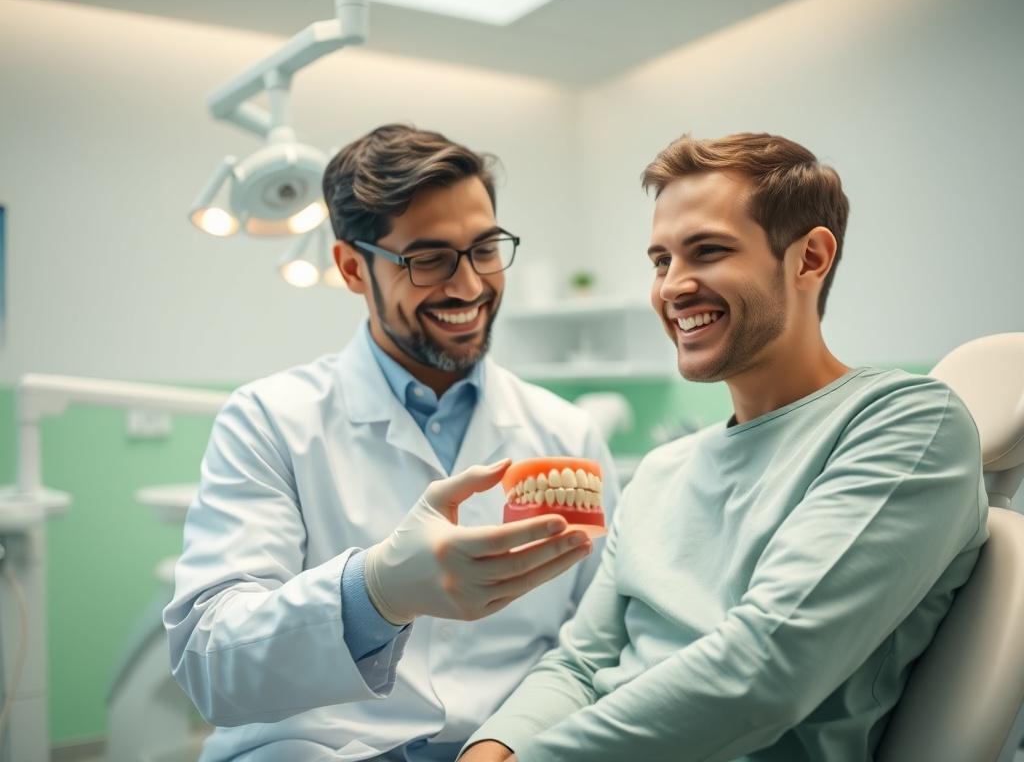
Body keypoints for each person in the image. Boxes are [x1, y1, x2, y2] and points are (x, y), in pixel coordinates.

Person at [460, 132, 988, 762]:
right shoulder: (663, 470)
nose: (672, 288)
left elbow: (762, 672)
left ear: (810, 258)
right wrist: (489, 750)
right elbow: (579, 663)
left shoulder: (903, 423)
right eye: (661, 261)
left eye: (706, 251)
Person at [164, 123, 619, 762]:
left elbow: (605, 640)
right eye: (427, 259)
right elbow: (211, 665)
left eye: (485, 249)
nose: (467, 287)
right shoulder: (269, 419)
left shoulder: (567, 433)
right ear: (353, 267)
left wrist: (507, 742)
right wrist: (376, 592)